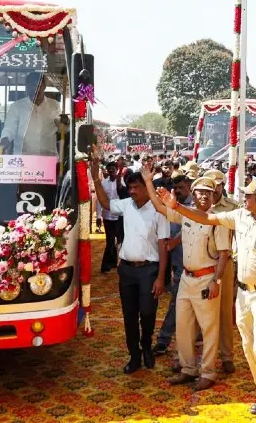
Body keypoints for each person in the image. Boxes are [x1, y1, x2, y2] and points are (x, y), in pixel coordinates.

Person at [147, 177, 256, 422]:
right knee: (248, 346)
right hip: (244, 294)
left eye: (248, 196)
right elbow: (206, 218)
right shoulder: (239, 216)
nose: (244, 199)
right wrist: (176, 207)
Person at [144, 172, 232, 391]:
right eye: (200, 192)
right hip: (186, 278)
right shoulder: (185, 214)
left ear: (214, 196)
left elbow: (224, 255)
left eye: (208, 193)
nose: (204, 196)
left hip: (206, 279)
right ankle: (188, 369)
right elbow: (159, 208)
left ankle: (208, 373)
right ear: (193, 194)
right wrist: (148, 181)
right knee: (183, 327)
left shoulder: (217, 220)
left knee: (209, 329)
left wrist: (216, 282)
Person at [91, 149, 168, 374]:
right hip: (126, 270)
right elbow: (105, 203)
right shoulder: (125, 205)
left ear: (146, 188)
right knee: (129, 316)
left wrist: (161, 278)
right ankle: (134, 355)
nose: (132, 191)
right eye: (130, 188)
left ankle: (147, 347)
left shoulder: (158, 211)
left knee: (147, 312)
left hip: (149, 271)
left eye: (136, 187)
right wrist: (96, 179)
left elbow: (163, 246)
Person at [153, 174, 193, 359]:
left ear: (190, 188)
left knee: (182, 307)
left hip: (197, 268)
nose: (178, 191)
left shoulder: (195, 207)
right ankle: (166, 342)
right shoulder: (173, 205)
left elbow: (192, 227)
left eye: (181, 188)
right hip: (179, 267)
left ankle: (164, 341)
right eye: (176, 189)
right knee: (177, 306)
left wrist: (177, 241)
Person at [204, 168, 239, 374]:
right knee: (203, 311)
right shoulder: (200, 205)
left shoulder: (233, 207)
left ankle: (226, 355)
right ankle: (206, 355)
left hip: (224, 264)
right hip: (202, 263)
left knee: (225, 311)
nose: (214, 189)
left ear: (223, 185)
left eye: (217, 185)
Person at [0, 72, 67, 156]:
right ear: (26, 87)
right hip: (23, 158)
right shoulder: (17, 107)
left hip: (48, 157)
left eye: (37, 85)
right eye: (30, 85)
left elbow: (60, 126)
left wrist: (63, 122)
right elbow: (9, 129)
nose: (34, 89)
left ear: (44, 86)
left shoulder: (54, 105)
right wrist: (4, 141)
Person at [99, 161, 122, 273]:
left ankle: (113, 262)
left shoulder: (122, 182)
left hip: (119, 215)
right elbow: (100, 200)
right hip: (107, 216)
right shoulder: (104, 183)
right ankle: (105, 265)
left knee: (119, 240)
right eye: (109, 169)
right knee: (110, 241)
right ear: (107, 171)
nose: (111, 171)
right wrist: (98, 216)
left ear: (116, 170)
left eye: (113, 169)